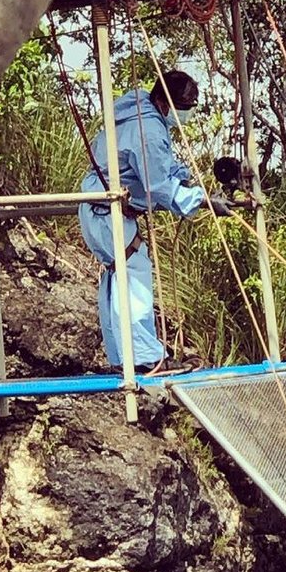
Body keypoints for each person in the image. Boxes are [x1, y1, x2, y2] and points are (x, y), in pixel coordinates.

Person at [78, 70, 224, 374]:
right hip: (108, 211)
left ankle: (121, 356)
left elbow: (156, 165)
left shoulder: (137, 112)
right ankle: (144, 357)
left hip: (98, 207)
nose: (189, 111)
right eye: (187, 104)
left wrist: (182, 174)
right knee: (133, 271)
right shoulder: (150, 131)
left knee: (119, 273)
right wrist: (202, 199)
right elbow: (156, 184)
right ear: (166, 101)